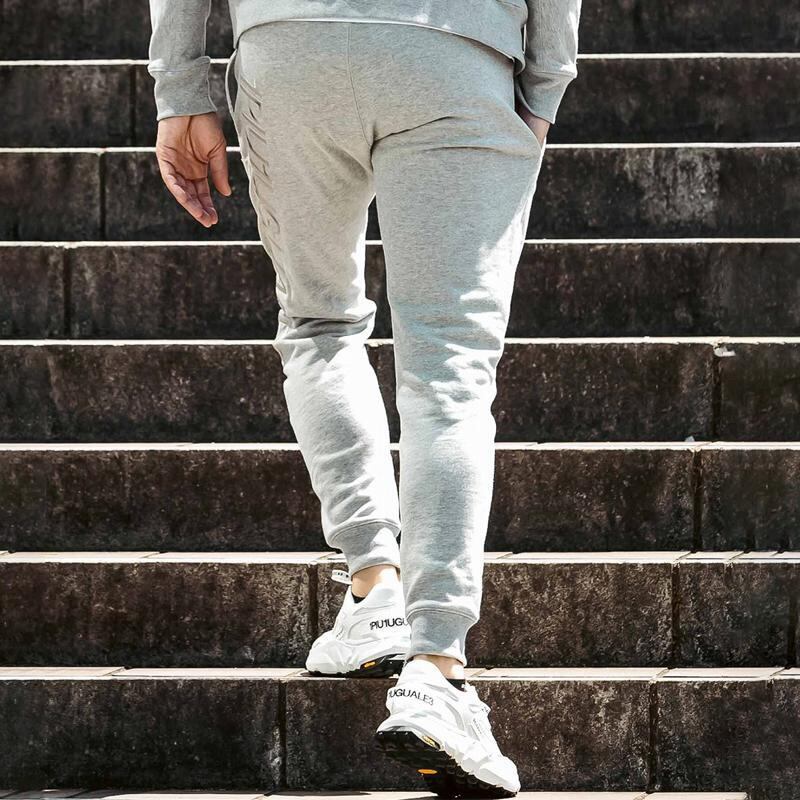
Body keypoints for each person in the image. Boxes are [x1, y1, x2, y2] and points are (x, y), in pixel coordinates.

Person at [148, 2, 580, 796]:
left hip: (291, 44)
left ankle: (377, 586)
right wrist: (545, 81)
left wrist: (181, 87)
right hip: (457, 46)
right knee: (448, 366)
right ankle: (436, 667)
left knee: (319, 321)